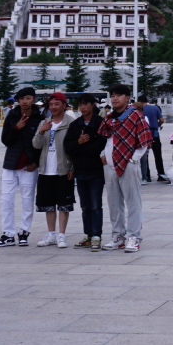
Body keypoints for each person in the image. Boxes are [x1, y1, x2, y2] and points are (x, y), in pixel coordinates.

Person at [98, 85, 151, 252]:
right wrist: (103, 154)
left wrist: (133, 160)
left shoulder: (135, 116)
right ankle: (118, 235)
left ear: (127, 98)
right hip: (110, 164)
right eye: (112, 95)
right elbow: (106, 138)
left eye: (119, 95)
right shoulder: (109, 117)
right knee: (114, 202)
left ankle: (134, 236)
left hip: (128, 163)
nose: (115, 98)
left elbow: (144, 141)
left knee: (133, 201)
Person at [0, 89, 42, 247]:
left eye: (28, 98)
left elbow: (42, 144)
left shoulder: (39, 118)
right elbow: (5, 140)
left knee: (27, 200)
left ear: (33, 100)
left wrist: (36, 163)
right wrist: (16, 128)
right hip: (11, 164)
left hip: (29, 166)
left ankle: (24, 232)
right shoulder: (12, 116)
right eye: (21, 99)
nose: (24, 101)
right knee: (6, 199)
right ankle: (8, 233)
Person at [31, 92, 76, 247]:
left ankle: (62, 235)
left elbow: (75, 148)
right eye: (51, 105)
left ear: (64, 105)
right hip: (45, 170)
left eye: (57, 104)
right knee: (48, 204)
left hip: (63, 169)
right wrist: (42, 130)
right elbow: (36, 145)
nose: (54, 107)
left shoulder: (71, 122)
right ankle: (51, 234)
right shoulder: (45, 122)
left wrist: (72, 167)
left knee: (64, 204)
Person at [64, 93, 107, 250]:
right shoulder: (75, 125)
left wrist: (80, 147)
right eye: (80, 104)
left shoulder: (101, 123)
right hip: (80, 170)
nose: (82, 107)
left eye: (85, 104)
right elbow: (67, 147)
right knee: (85, 206)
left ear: (93, 104)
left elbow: (99, 146)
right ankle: (88, 234)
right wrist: (79, 142)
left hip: (95, 170)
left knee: (96, 205)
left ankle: (97, 235)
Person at [139, 96, 166, 182]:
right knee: (158, 155)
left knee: (144, 156)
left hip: (144, 135)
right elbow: (162, 120)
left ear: (140, 102)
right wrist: (156, 125)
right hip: (155, 134)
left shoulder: (139, 110)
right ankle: (161, 174)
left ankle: (147, 175)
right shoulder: (155, 108)